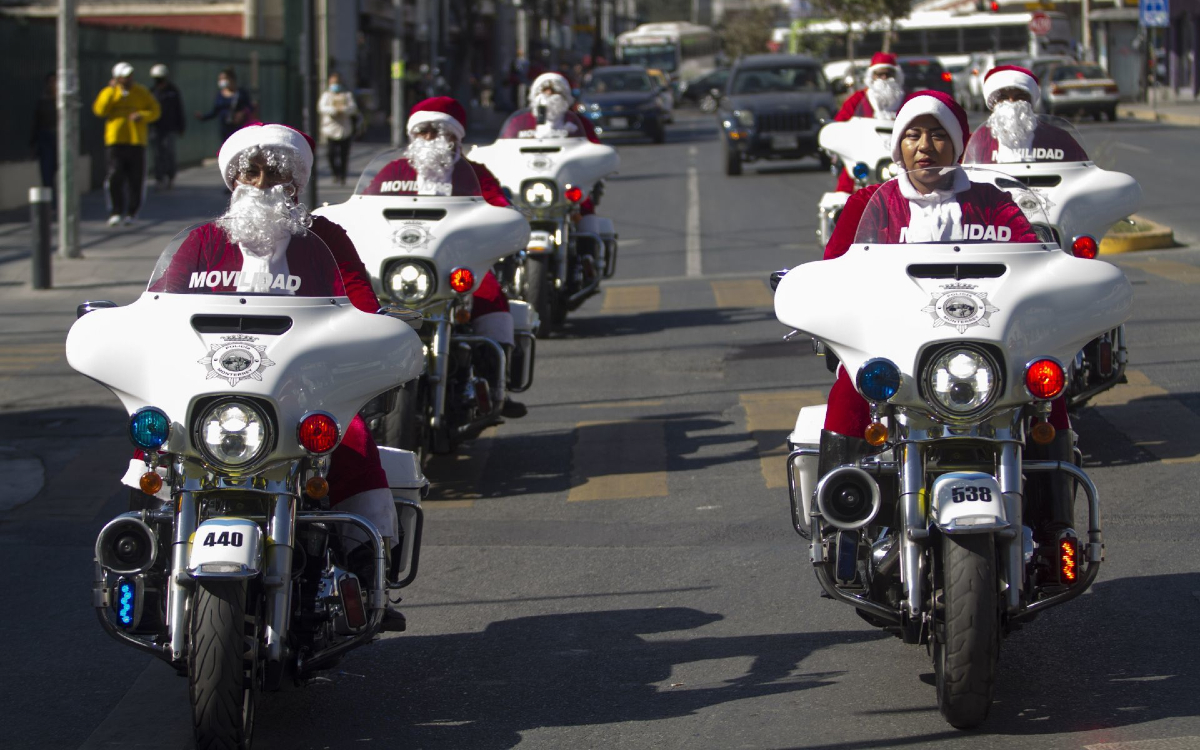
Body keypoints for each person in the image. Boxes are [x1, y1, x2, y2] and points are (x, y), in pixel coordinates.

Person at [148, 123, 407, 627]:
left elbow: (364, 308)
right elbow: (159, 315)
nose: (264, 183)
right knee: (150, 446)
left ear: (298, 183)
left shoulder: (325, 240)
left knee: (354, 442)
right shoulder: (201, 241)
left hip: (304, 395)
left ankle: (367, 574)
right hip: (209, 397)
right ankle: (145, 556)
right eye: (252, 171)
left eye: (279, 173)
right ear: (233, 180)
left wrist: (377, 334)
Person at [819, 90, 1074, 540]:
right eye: (913, 134)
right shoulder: (868, 204)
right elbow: (832, 273)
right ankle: (845, 528)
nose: (924, 147)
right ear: (898, 144)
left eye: (938, 135)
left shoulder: (993, 202)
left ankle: (1054, 524)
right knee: (849, 390)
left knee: (1048, 396)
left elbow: (1036, 264)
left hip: (985, 350)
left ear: (957, 145)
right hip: (895, 350)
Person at [365, 96, 528, 419]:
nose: (430, 139)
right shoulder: (392, 171)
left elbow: (500, 209)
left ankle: (495, 385)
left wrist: (504, 220)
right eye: (423, 131)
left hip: (457, 268)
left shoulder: (475, 175)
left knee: (491, 296)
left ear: (456, 137)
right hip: (399, 271)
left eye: (439, 131)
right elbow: (364, 210)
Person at [967, 65, 1088, 164]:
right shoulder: (980, 140)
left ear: (1030, 101)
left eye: (1020, 97)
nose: (1012, 103)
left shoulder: (1058, 138)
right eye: (1003, 98)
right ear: (993, 104)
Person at [92, 62, 161, 226]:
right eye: (124, 76)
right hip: (115, 141)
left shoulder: (141, 92)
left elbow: (155, 110)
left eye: (130, 76)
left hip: (136, 141)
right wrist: (112, 92)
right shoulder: (109, 92)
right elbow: (100, 110)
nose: (128, 79)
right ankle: (116, 210)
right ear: (117, 78)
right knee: (115, 175)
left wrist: (142, 115)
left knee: (136, 178)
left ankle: (132, 211)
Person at [831, 52, 906, 194]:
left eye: (888, 74)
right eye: (879, 75)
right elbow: (839, 124)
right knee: (847, 185)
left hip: (901, 158)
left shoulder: (909, 99)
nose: (884, 79)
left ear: (896, 76)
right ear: (872, 76)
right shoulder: (858, 99)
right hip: (865, 154)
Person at [499, 72, 601, 142]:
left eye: (554, 93)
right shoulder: (520, 122)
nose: (548, 98)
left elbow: (594, 149)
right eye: (543, 92)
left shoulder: (580, 124)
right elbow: (505, 145)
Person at [148, 64, 186, 190]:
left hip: (170, 127)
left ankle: (170, 177)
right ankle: (159, 178)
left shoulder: (173, 91)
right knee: (158, 154)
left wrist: (181, 126)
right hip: (156, 128)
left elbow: (178, 109)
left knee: (169, 153)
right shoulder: (152, 92)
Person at [318, 71, 359, 185]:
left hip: (344, 129)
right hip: (330, 129)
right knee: (331, 154)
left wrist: (344, 110)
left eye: (337, 82)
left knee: (343, 154)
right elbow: (321, 108)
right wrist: (333, 111)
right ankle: (335, 173)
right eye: (333, 82)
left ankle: (342, 175)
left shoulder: (347, 95)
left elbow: (353, 108)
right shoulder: (326, 95)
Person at [196, 68, 255, 143]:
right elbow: (215, 111)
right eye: (220, 79)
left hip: (238, 126)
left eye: (224, 78)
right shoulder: (220, 95)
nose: (222, 81)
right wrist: (203, 117)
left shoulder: (241, 93)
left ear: (232, 79)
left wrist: (242, 113)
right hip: (225, 127)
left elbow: (250, 107)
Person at [30, 73, 56, 191]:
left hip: (60, 138)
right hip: (46, 138)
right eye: (50, 82)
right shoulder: (42, 102)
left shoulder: (64, 103)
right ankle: (51, 204)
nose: (53, 85)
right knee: (47, 173)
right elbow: (37, 122)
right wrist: (33, 142)